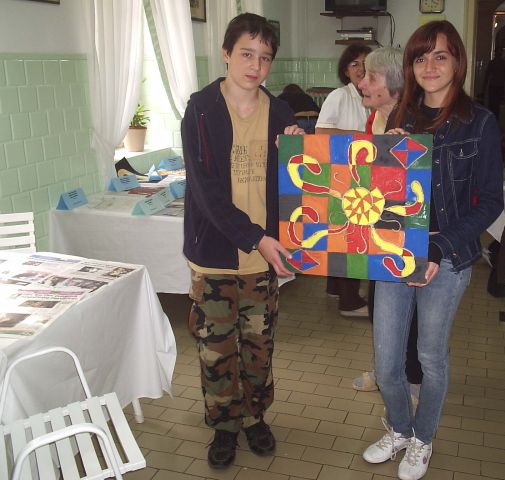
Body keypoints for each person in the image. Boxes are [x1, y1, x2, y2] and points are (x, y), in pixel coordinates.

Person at [361, 21, 503, 480]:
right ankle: (400, 428)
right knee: (387, 363)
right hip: (397, 253)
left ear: (458, 62)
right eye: (421, 57)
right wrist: (298, 145)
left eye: (440, 56)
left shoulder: (480, 123)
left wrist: (439, 247)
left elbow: (491, 202)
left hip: (449, 257)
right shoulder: (402, 118)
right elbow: (377, 192)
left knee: (429, 358)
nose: (430, 66)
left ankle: (423, 438)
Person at [180, 13, 304, 469]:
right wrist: (257, 238)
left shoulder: (282, 112)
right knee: (216, 350)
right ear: (226, 54)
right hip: (215, 256)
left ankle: (254, 417)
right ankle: (224, 425)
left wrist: (298, 151)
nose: (256, 66)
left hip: (262, 260)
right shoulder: (201, 109)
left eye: (265, 58)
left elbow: (298, 188)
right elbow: (207, 192)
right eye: (247, 54)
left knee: (258, 347)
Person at [350, 47, 421, 401]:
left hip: (407, 231)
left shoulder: (414, 120)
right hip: (378, 226)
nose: (361, 83)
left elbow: (420, 179)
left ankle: (413, 381)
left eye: (371, 77)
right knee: (380, 308)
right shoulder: (375, 119)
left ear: (394, 85)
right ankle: (385, 371)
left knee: (410, 313)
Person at [316, 43, 372, 317]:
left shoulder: (370, 96)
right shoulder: (339, 96)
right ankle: (350, 302)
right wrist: (360, 136)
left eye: (366, 63)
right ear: (345, 70)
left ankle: (336, 288)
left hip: (360, 172)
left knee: (342, 230)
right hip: (342, 172)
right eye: (355, 64)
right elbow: (320, 132)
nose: (361, 69)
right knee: (352, 235)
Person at [482, 47, 505, 119]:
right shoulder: (492, 63)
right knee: (492, 104)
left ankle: (495, 119)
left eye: (500, 52)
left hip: (499, 86)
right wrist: (484, 86)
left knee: (497, 105)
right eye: (497, 52)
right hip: (494, 85)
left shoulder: (503, 63)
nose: (498, 54)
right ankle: (492, 119)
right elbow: (487, 75)